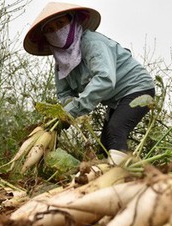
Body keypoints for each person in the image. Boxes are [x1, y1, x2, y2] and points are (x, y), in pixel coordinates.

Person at [23, 2, 155, 165]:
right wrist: (63, 114)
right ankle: (120, 171)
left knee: (115, 130)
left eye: (60, 24)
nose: (56, 31)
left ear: (72, 22)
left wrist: (73, 110)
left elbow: (105, 80)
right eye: (50, 30)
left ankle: (121, 176)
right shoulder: (61, 62)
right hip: (116, 100)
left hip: (137, 88)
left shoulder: (91, 42)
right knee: (105, 144)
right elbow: (64, 94)